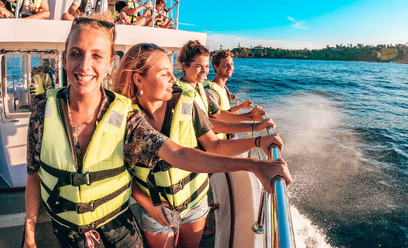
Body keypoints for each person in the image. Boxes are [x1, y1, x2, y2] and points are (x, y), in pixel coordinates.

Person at [23, 15, 291, 248]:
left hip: (125, 225)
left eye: (96, 55)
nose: (83, 66)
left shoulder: (126, 117)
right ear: (65, 56)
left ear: (108, 63)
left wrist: (253, 163)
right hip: (71, 230)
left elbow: (181, 154)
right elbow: (34, 175)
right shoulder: (43, 113)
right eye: (75, 53)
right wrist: (30, 233)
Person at [113, 43, 289, 248]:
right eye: (164, 74)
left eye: (172, 72)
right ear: (138, 79)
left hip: (195, 200)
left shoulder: (185, 103)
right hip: (155, 206)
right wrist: (149, 205)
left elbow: (213, 145)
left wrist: (258, 140)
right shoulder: (123, 119)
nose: (173, 78)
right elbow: (120, 173)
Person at [176, 40, 274, 136]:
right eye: (198, 66)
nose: (204, 71)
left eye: (206, 66)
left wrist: (251, 116)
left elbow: (220, 113)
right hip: (191, 150)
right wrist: (253, 126)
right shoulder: (184, 94)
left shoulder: (198, 88)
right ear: (185, 66)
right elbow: (209, 125)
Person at [205, 49, 261, 139]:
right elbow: (219, 116)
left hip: (226, 138)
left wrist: (242, 105)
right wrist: (250, 116)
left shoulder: (224, 89)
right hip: (216, 142)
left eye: (231, 64)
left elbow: (227, 112)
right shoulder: (211, 91)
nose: (230, 67)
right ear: (216, 67)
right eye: (225, 64)